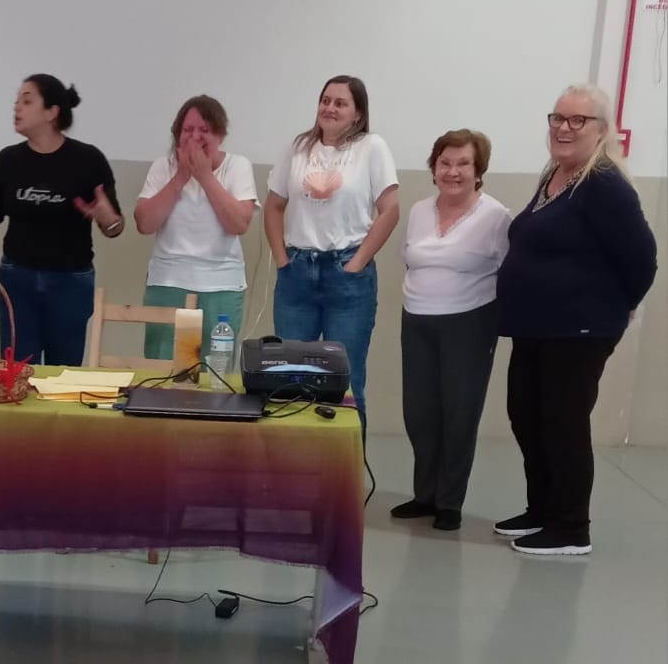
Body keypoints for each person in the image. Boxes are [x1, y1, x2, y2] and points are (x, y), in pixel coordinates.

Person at [495, 84, 657, 556]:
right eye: (558, 118)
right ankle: (542, 510)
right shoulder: (557, 174)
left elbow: (642, 257)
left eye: (577, 120)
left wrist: (623, 303)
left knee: (562, 424)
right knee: (527, 416)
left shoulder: (602, 182)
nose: (563, 128)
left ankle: (570, 528)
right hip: (538, 327)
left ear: (602, 130)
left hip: (579, 329)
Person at [0, 75, 123, 366]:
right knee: (16, 371)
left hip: (71, 282)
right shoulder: (8, 160)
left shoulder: (88, 160)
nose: (17, 108)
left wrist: (107, 218)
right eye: (16, 101)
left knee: (64, 373)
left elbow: (115, 227)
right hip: (17, 279)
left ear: (51, 112)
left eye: (27, 100)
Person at [265, 75, 399, 432]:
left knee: (347, 383)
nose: (330, 108)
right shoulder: (297, 148)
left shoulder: (372, 148)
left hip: (347, 274)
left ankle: (349, 468)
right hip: (297, 271)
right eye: (325, 100)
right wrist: (281, 259)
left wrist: (357, 263)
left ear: (358, 113)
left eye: (341, 103)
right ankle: (298, 463)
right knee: (292, 379)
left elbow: (390, 210)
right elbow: (274, 206)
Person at [393, 129, 511, 531]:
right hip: (417, 320)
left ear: (479, 171)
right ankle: (424, 495)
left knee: (459, 414)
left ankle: (449, 502)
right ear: (434, 168)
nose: (453, 171)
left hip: (470, 322)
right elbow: (410, 260)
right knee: (419, 414)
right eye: (445, 163)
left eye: (464, 164)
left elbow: (510, 272)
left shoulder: (496, 216)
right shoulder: (418, 211)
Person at [134, 95, 257, 362]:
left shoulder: (237, 166)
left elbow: (239, 223)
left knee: (214, 370)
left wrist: (204, 176)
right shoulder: (163, 166)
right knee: (161, 367)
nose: (195, 137)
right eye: (188, 130)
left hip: (222, 285)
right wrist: (181, 177)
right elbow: (144, 223)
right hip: (167, 281)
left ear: (220, 135)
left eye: (205, 130)